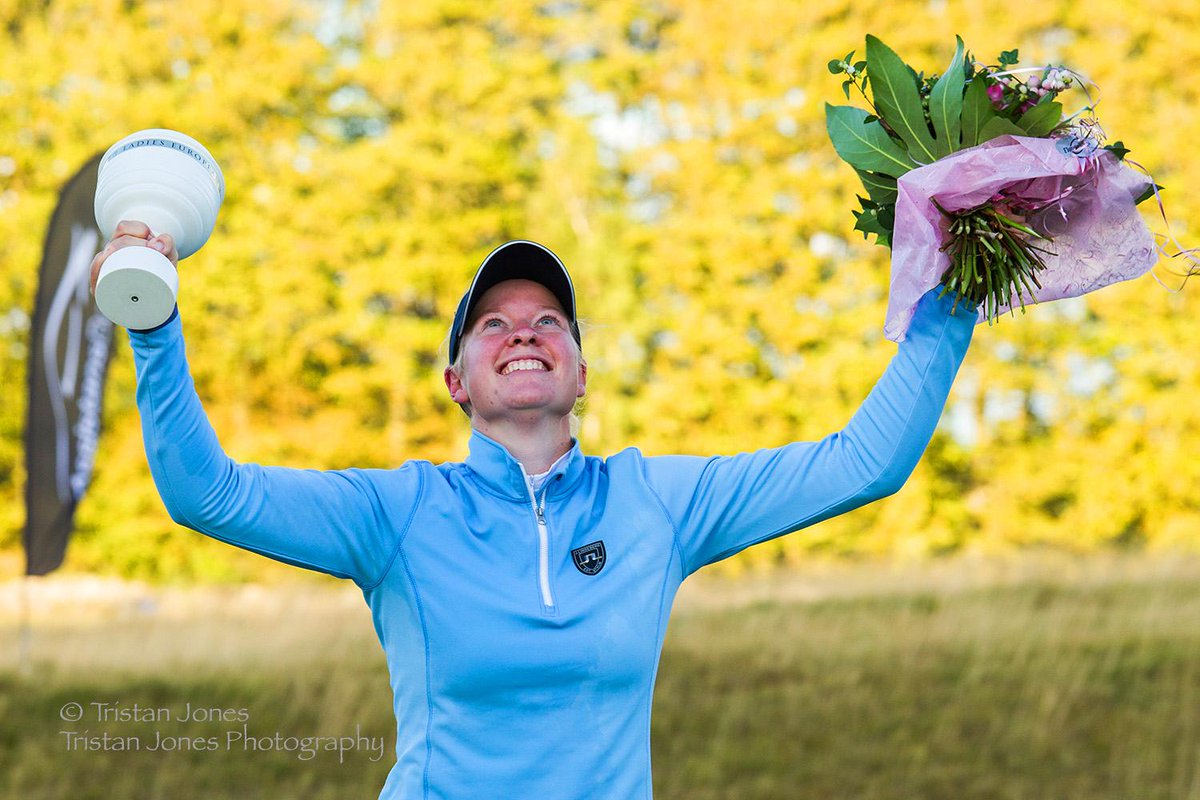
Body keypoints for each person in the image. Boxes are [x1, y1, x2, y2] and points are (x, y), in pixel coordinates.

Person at [91, 221, 976, 799]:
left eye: (551, 321)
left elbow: (864, 463)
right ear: (457, 384)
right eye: (493, 324)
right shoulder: (397, 513)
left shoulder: (656, 503)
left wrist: (958, 282)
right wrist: (153, 323)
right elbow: (206, 492)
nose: (524, 332)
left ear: (581, 373)